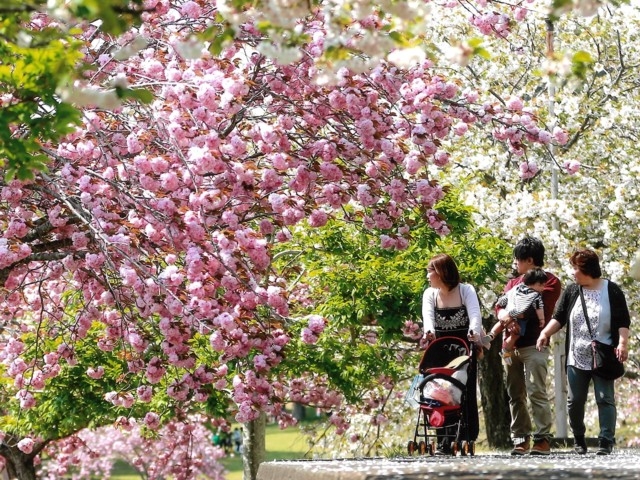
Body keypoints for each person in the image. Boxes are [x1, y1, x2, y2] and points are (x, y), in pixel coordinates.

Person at [536, 248, 630, 455]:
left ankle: (606, 440)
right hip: (576, 356)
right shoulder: (571, 291)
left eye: (575, 269)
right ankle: (579, 437)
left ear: (587, 270)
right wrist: (545, 333)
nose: (572, 273)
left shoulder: (612, 290)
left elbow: (623, 321)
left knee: (605, 398)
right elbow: (558, 317)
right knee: (575, 400)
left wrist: (622, 343)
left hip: (603, 355)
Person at [495, 236, 562, 456]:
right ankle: (521, 438)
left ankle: (542, 439)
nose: (515, 263)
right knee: (515, 394)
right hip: (510, 347)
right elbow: (500, 306)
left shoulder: (549, 281)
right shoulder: (512, 283)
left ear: (530, 259)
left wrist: (510, 314)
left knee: (536, 391)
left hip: (534, 345)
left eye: (518, 259)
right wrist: (506, 316)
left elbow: (536, 306)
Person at [422, 253, 482, 455]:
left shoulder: (465, 290)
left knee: (464, 393)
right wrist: (428, 331)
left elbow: (475, 315)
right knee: (440, 394)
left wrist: (473, 330)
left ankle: (465, 437)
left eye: (430, 272)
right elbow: (428, 317)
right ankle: (443, 441)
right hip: (440, 348)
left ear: (441, 273)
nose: (428, 276)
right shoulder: (430, 294)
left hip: (464, 348)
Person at [485, 268, 547, 364]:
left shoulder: (517, 288)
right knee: (515, 335)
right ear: (531, 283)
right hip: (520, 318)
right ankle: (505, 350)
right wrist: (542, 319)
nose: (542, 288)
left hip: (508, 312)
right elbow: (539, 307)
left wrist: (499, 304)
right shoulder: (536, 295)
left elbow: (506, 297)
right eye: (540, 285)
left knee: (501, 323)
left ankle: (491, 335)